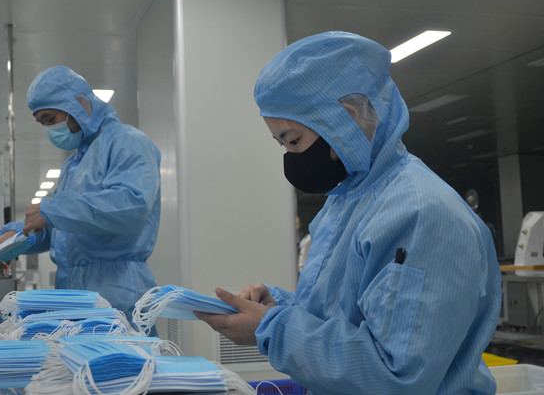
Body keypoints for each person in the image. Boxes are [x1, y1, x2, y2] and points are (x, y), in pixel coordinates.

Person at [195, 32, 502, 394]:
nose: (291, 157)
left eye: (294, 140)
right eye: (282, 144)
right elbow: (346, 317)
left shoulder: (422, 214)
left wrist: (273, 328)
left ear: (348, 118)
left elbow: (396, 375)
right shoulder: (346, 201)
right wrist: (278, 308)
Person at [0, 66, 162, 324]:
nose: (49, 128)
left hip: (117, 293)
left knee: (120, 351)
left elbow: (131, 206)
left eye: (50, 118)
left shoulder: (128, 142)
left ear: (78, 104)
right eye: (42, 123)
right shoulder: (73, 164)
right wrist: (17, 237)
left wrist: (52, 210)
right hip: (73, 294)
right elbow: (61, 229)